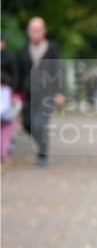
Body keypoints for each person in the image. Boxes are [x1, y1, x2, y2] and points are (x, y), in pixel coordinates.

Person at [14, 17, 63, 166]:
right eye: (33, 30)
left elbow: (58, 71)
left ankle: (42, 153)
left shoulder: (52, 48)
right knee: (28, 124)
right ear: (28, 32)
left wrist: (59, 92)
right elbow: (18, 73)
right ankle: (40, 143)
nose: (36, 33)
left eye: (39, 30)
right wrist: (16, 93)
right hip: (28, 94)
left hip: (46, 94)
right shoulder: (22, 51)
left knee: (40, 124)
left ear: (44, 31)